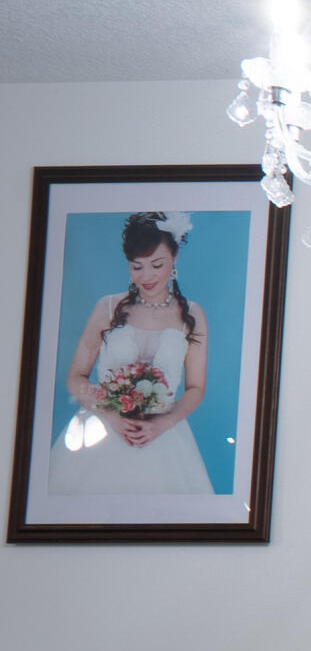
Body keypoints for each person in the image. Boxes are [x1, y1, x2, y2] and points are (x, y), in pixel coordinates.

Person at [53, 211, 213, 495]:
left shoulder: (193, 314)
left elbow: (196, 388)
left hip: (165, 434)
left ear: (174, 260)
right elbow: (76, 377)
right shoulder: (107, 307)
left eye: (156, 264)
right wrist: (110, 416)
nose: (147, 276)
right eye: (137, 267)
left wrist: (162, 424)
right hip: (101, 430)